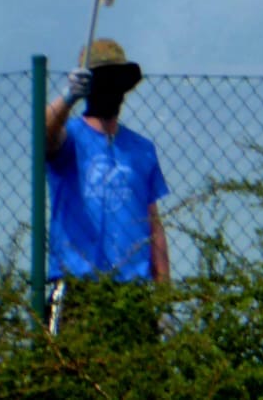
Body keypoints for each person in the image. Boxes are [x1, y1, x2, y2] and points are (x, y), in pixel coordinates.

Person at [44, 38, 171, 334]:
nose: (110, 89)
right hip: (78, 288)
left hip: (132, 294)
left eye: (116, 80)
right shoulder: (69, 138)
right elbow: (43, 133)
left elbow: (154, 226)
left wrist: (164, 301)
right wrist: (67, 98)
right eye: (102, 80)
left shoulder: (141, 150)